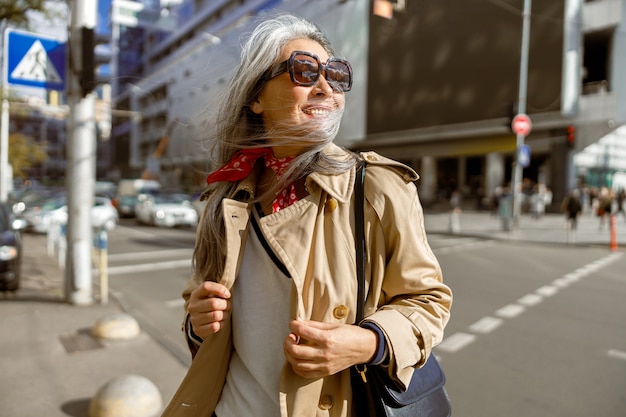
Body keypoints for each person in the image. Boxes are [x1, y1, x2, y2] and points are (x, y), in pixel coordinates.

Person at [162, 13, 452, 417]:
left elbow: (428, 301)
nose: (324, 87)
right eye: (303, 71)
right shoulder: (225, 196)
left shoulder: (378, 187)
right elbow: (199, 307)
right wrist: (197, 321)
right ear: (256, 96)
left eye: (334, 75)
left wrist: (369, 342)